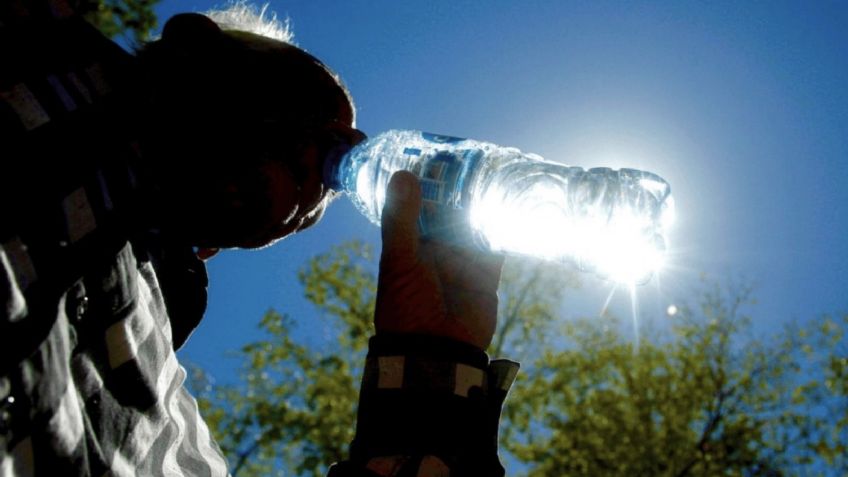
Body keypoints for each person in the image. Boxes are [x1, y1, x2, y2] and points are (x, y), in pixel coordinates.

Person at [0, 1, 518, 476]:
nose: (352, 143)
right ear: (190, 46)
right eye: (316, 103)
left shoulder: (159, 405)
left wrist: (433, 363)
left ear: (209, 249)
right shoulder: (33, 43)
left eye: (320, 208)